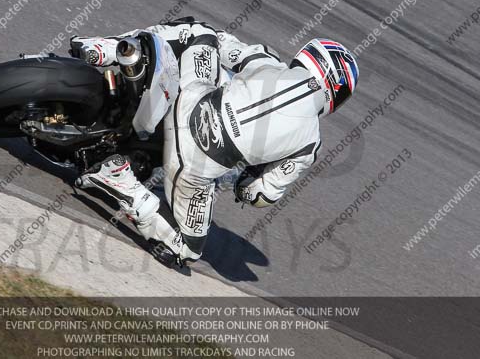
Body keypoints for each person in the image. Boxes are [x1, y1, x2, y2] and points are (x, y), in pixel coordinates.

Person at [70, 19, 359, 267]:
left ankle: (107, 48)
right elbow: (260, 195)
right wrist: (245, 181)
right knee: (185, 249)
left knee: (200, 32)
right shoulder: (310, 145)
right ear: (337, 92)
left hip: (188, 99)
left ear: (311, 57)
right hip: (194, 164)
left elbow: (224, 44)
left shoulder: (268, 61)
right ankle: (120, 181)